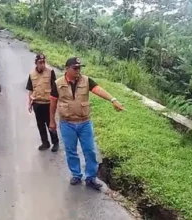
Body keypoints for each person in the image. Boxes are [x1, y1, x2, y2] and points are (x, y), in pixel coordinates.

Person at [49, 57, 124, 190]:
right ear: (67, 68)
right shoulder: (58, 83)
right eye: (75, 68)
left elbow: (98, 90)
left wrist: (113, 100)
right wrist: (51, 121)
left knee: (89, 150)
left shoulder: (86, 80)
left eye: (80, 68)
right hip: (67, 124)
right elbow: (53, 102)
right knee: (71, 151)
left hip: (84, 123)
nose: (78, 70)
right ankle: (76, 174)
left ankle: (90, 178)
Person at [26, 54, 60, 152]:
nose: (42, 64)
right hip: (37, 103)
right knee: (40, 125)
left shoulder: (50, 72)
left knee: (50, 123)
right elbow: (30, 90)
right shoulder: (32, 75)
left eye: (43, 62)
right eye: (40, 62)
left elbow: (55, 88)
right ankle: (45, 143)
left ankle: (55, 142)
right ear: (36, 63)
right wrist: (29, 103)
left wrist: (56, 102)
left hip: (48, 103)